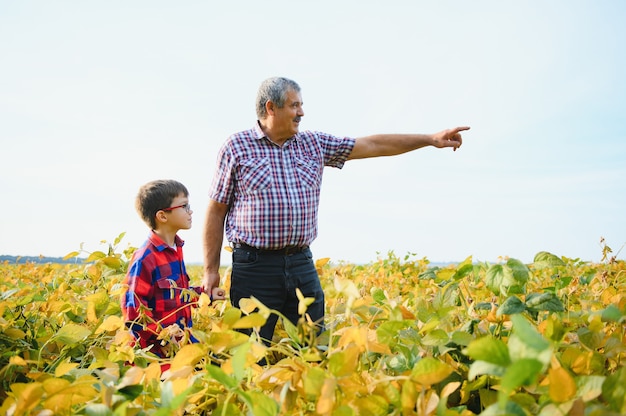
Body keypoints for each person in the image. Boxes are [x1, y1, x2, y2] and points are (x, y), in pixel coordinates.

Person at [202, 76, 469, 345]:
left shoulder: (313, 144)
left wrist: (430, 139)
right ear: (271, 108)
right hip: (254, 266)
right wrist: (210, 270)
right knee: (249, 350)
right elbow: (216, 210)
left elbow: (372, 145)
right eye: (295, 106)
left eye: (301, 105)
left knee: (313, 348)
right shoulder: (236, 147)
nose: (301, 112)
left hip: (300, 263)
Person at [122, 179, 225, 359]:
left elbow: (177, 296)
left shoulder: (175, 250)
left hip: (183, 345)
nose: (190, 211)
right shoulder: (145, 258)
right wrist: (165, 336)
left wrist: (205, 295)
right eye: (184, 206)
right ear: (162, 216)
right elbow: (134, 313)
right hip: (157, 354)